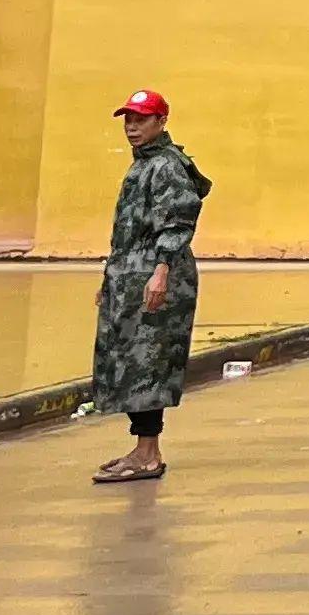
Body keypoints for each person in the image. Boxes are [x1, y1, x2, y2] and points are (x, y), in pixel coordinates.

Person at [89, 88, 210, 485]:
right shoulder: (144, 164)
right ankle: (143, 449)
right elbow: (128, 231)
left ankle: (148, 454)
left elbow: (177, 222)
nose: (132, 127)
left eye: (141, 119)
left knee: (148, 363)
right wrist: (110, 278)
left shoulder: (166, 166)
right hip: (131, 277)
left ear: (162, 122)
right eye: (128, 119)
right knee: (129, 361)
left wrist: (161, 272)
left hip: (155, 277)